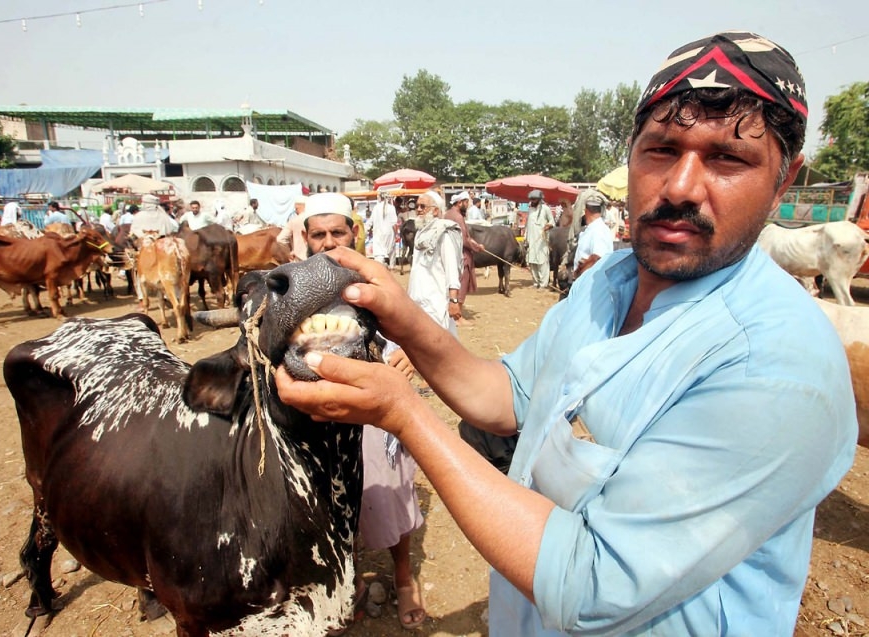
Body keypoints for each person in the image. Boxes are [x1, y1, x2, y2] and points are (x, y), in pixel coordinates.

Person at [275, 31, 857, 636]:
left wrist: (405, 416)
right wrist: (400, 313)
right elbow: (508, 397)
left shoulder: (777, 366)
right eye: (661, 150)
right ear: (631, 155)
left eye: (727, 159)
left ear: (783, 180)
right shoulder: (610, 279)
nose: (682, 186)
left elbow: (592, 586)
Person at [301, 192, 426, 630]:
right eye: (318, 234)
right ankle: (347, 576)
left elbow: (413, 329)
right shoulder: (293, 285)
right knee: (330, 501)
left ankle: (404, 576)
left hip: (375, 406)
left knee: (386, 490)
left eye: (337, 232)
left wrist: (409, 353)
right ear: (306, 238)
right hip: (317, 409)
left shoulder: (376, 280)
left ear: (354, 233)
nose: (328, 242)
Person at [407, 190, 463, 334]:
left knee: (440, 339)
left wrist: (453, 301)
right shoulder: (420, 233)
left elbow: (452, 270)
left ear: (436, 210)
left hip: (436, 301)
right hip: (417, 299)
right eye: (417, 206)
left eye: (423, 206)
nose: (419, 210)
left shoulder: (444, 233)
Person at [445, 191, 484, 326]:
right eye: (466, 202)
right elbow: (464, 239)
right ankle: (457, 317)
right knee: (462, 282)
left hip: (450, 253)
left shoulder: (447, 214)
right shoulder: (457, 217)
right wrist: (477, 247)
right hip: (461, 254)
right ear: (459, 202)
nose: (467, 205)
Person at [571, 192, 613, 279]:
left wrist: (577, 273)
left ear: (584, 210)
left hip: (590, 283)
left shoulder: (598, 230)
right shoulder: (591, 229)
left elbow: (597, 259)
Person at [524, 189, 553, 289]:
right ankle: (535, 282)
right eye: (531, 199)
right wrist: (525, 237)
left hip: (541, 240)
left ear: (539, 199)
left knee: (542, 262)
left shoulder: (546, 209)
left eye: (534, 199)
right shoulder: (530, 210)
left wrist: (548, 226)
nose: (532, 201)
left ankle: (543, 284)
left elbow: (552, 222)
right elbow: (527, 225)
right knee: (532, 261)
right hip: (530, 239)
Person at [276, 196, 309, 260]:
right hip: (314, 257)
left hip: (299, 258)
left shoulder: (294, 221)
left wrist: (290, 250)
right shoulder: (314, 219)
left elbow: (280, 239)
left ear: (297, 207)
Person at [369, 194, 398, 266]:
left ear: (379, 198)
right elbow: (394, 224)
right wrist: (396, 234)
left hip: (378, 233)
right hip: (389, 233)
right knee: (392, 251)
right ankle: (392, 267)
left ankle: (380, 267)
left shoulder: (376, 207)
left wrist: (367, 230)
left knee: (379, 254)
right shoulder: (391, 208)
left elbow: (371, 221)